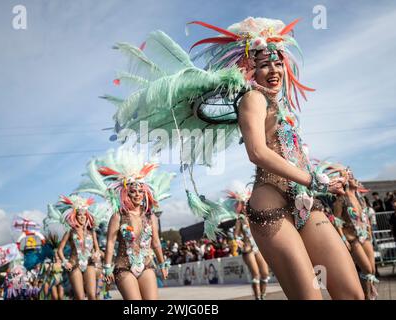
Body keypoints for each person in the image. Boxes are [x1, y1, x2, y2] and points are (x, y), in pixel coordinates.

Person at [104, 17, 363, 300]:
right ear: (250, 69)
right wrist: (313, 179)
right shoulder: (253, 99)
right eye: (264, 64)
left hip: (305, 201)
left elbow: (292, 153)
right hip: (271, 206)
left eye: (277, 63)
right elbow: (258, 152)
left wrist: (325, 179)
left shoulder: (283, 105)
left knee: (352, 293)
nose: (273, 70)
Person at [102, 160, 169, 300]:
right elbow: (110, 243)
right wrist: (107, 266)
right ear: (126, 193)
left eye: (140, 191)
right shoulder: (118, 216)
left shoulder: (151, 217)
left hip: (146, 265)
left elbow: (156, 242)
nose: (137, 194)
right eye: (133, 191)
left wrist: (162, 264)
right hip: (123, 268)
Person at [332, 169, 378, 300]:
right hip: (352, 238)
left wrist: (369, 231)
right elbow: (337, 220)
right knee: (367, 270)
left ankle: (370, 297)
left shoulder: (360, 198)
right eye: (351, 178)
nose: (355, 180)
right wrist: (343, 239)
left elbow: (365, 217)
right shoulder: (341, 199)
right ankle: (366, 296)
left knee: (373, 271)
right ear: (345, 181)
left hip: (365, 237)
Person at [57, 195, 102, 300]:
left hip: (89, 264)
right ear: (74, 216)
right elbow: (60, 250)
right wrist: (65, 262)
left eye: (84, 215)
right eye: (79, 215)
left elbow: (97, 248)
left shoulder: (91, 232)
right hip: (74, 264)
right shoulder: (70, 232)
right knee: (80, 297)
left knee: (92, 295)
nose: (82, 217)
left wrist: (96, 254)